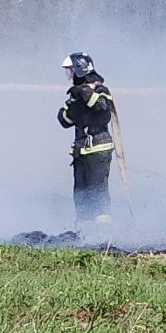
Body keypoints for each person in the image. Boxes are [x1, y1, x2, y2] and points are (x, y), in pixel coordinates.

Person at [57, 52, 115, 225]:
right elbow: (64, 120)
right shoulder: (75, 96)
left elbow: (101, 107)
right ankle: (84, 235)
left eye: (70, 71)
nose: (69, 76)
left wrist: (83, 92)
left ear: (79, 69)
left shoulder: (100, 90)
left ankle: (104, 236)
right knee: (81, 195)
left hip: (98, 148)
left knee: (98, 194)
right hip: (80, 151)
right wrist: (74, 103)